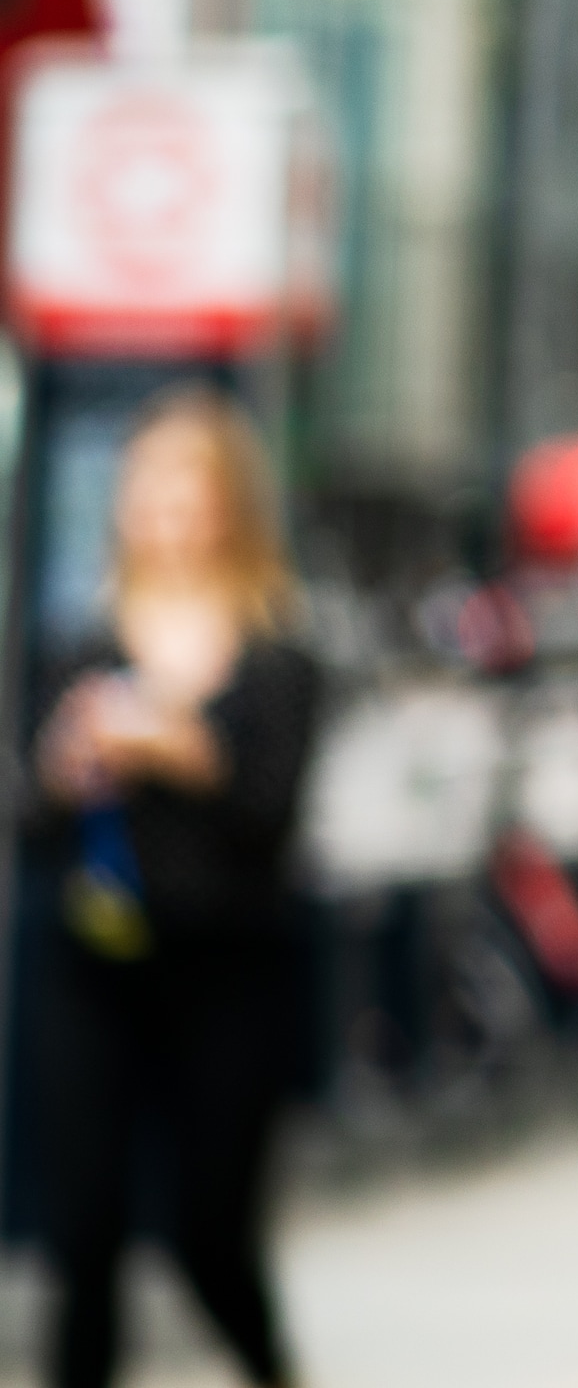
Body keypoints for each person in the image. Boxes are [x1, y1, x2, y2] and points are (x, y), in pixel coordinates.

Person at [22, 388, 322, 1388]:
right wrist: (63, 767)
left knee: (210, 1226)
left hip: (227, 965)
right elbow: (32, 819)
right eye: (146, 485)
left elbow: (273, 820)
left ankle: (270, 1364)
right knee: (86, 1225)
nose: (161, 508)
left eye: (183, 486)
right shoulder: (81, 641)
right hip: (94, 958)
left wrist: (194, 750)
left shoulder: (278, 652)